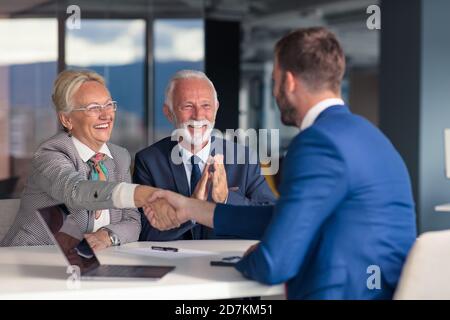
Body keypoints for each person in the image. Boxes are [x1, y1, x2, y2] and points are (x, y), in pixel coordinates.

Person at [144, 27, 417, 299]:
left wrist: (254, 255)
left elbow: (272, 265)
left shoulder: (317, 143)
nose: (274, 92)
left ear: (288, 82)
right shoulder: (370, 135)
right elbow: (280, 217)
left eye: (273, 80)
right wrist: (192, 208)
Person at [1, 69, 171, 250]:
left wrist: (107, 236)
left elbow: (132, 221)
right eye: (93, 108)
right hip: (28, 260)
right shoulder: (50, 154)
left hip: (86, 263)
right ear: (67, 119)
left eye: (108, 105)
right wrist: (139, 194)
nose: (106, 115)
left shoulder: (119, 157)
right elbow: (76, 191)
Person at [134, 70, 275, 240]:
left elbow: (271, 219)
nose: (198, 115)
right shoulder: (149, 161)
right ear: (168, 112)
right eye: (187, 106)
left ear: (216, 109)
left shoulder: (244, 157)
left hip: (226, 261)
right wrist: (190, 208)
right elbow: (144, 233)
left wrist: (226, 198)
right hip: (173, 263)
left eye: (206, 105)